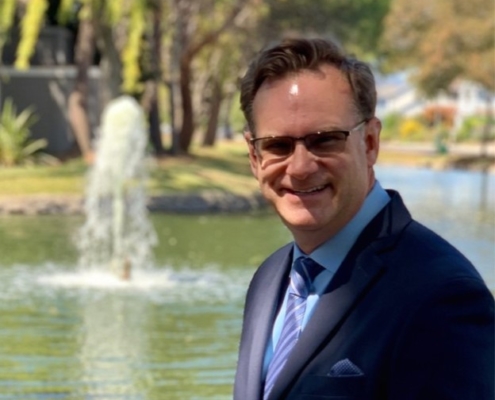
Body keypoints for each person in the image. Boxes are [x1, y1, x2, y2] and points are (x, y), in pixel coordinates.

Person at [233, 37, 494, 400]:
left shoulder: (442, 295)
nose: (300, 167)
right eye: (278, 145)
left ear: (370, 142)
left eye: (325, 140)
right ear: (254, 157)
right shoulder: (270, 278)